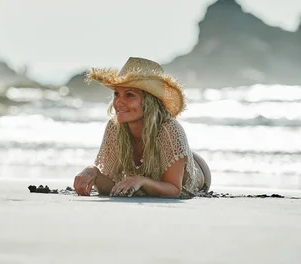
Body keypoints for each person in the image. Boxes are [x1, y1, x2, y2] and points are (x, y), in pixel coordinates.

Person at [73, 57, 211, 198]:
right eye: (117, 94)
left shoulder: (170, 129)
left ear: (149, 101)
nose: (119, 102)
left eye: (129, 95)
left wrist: (141, 180)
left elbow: (174, 189)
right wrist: (93, 172)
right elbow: (111, 186)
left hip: (198, 171)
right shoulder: (114, 127)